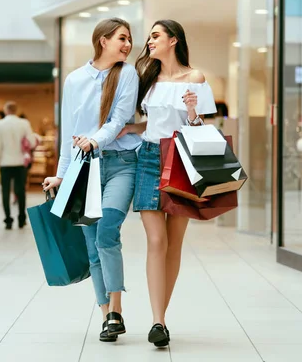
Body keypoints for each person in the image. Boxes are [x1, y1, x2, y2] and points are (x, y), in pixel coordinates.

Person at [117, 19, 217, 347]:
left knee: (174, 243)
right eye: (150, 37)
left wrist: (191, 111)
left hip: (183, 158)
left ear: (173, 40)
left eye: (156, 36)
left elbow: (201, 127)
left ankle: (160, 319)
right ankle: (157, 320)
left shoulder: (196, 78)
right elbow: (150, 122)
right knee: (156, 241)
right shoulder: (147, 78)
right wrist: (131, 129)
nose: (149, 41)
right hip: (148, 157)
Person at [42, 18, 140, 343]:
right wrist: (59, 174)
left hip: (120, 163)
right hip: (83, 167)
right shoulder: (73, 80)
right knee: (91, 243)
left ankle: (117, 308)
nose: (128, 45)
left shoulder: (127, 74)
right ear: (103, 40)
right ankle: (106, 315)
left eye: (129, 39)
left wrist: (95, 140)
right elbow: (68, 131)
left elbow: (118, 120)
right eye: (122, 38)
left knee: (107, 230)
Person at [0, 102, 37, 229]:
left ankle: (8, 219)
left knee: (5, 191)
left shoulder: (0, 124)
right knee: (21, 190)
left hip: (5, 163)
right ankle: (21, 218)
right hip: (20, 162)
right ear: (16, 110)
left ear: (6, 110)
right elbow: (32, 141)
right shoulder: (24, 123)